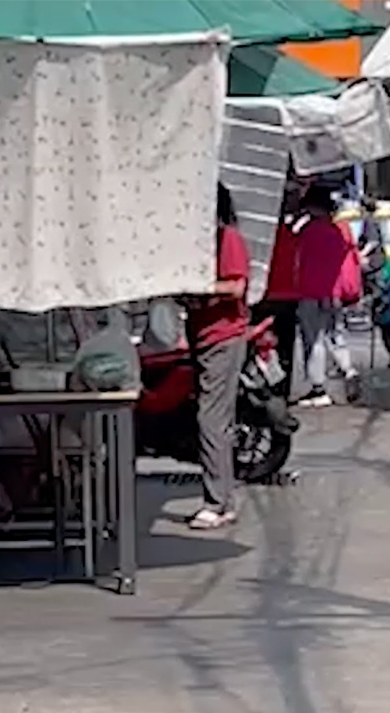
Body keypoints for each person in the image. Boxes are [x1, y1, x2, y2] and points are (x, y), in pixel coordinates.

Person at [184, 182, 250, 530]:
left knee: (210, 420)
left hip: (223, 338)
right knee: (215, 421)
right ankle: (223, 500)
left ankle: (216, 502)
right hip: (204, 335)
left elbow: (236, 286)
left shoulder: (228, 239)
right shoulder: (203, 244)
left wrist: (200, 288)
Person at [295, 183, 362, 407]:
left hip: (310, 291)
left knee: (313, 340)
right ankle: (349, 370)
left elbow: (299, 261)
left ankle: (318, 388)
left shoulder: (308, 231)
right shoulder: (337, 232)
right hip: (333, 293)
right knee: (335, 335)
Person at [252, 174, 307, 398]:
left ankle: (265, 386)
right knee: (285, 346)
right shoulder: (292, 236)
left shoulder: (259, 239)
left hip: (265, 296)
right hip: (287, 297)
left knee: (260, 343)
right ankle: (282, 391)